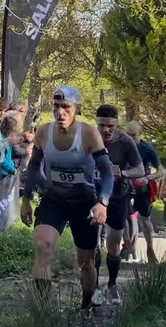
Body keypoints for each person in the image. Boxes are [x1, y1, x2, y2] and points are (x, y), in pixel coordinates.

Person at [20, 85, 114, 313]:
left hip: (84, 203)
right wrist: (26, 199)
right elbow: (33, 167)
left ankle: (87, 302)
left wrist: (103, 202)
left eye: (66, 107)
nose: (60, 112)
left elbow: (107, 172)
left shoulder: (88, 133)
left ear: (76, 109)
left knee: (86, 263)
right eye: (56, 106)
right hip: (54, 201)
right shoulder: (44, 132)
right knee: (43, 245)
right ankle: (43, 312)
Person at [93, 105, 147, 305]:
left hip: (118, 196)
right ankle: (94, 286)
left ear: (117, 124)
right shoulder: (88, 138)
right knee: (92, 244)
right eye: (102, 125)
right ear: (96, 123)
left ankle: (112, 284)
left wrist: (122, 173)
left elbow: (140, 169)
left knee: (114, 244)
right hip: (94, 195)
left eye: (111, 126)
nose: (106, 130)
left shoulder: (125, 141)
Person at [123, 120, 164, 264]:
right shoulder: (121, 145)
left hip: (142, 188)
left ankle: (150, 249)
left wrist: (147, 178)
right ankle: (126, 245)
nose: (130, 138)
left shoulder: (146, 149)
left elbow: (161, 171)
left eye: (133, 135)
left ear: (140, 134)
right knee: (122, 216)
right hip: (124, 186)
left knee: (144, 218)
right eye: (127, 135)